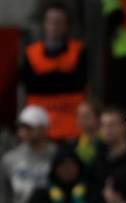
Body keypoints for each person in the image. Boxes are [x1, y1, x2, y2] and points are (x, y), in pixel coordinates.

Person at [21, 2, 87, 141]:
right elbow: (30, 85)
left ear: (66, 25)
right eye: (50, 21)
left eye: (59, 22)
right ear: (44, 24)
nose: (54, 26)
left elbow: (79, 83)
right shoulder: (31, 53)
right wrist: (63, 76)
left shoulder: (79, 51)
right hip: (38, 126)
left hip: (71, 125)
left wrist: (45, 77)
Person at [0, 106, 56, 203]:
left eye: (29, 127)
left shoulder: (57, 156)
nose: (23, 131)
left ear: (43, 128)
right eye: (21, 127)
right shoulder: (9, 158)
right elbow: (2, 193)